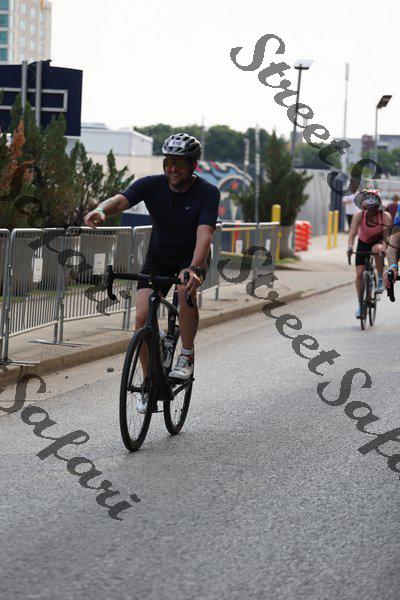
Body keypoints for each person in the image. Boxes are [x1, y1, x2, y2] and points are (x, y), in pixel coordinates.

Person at [84, 133, 220, 411]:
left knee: (184, 287)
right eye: (169, 162)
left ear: (193, 166)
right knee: (142, 317)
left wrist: (195, 269)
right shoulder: (152, 185)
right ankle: (150, 384)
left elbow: (205, 235)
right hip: (158, 257)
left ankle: (186, 354)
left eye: (180, 163)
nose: (173, 168)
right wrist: (101, 210)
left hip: (191, 256)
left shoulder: (208, 192)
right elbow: (120, 200)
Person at [347, 189, 392, 317]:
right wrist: (350, 247)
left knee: (376, 249)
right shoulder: (359, 215)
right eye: (368, 209)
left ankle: (379, 278)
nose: (370, 212)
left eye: (373, 209)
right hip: (363, 242)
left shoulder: (385, 216)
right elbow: (352, 234)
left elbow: (387, 237)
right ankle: (360, 304)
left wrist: (384, 249)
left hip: (379, 241)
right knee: (359, 274)